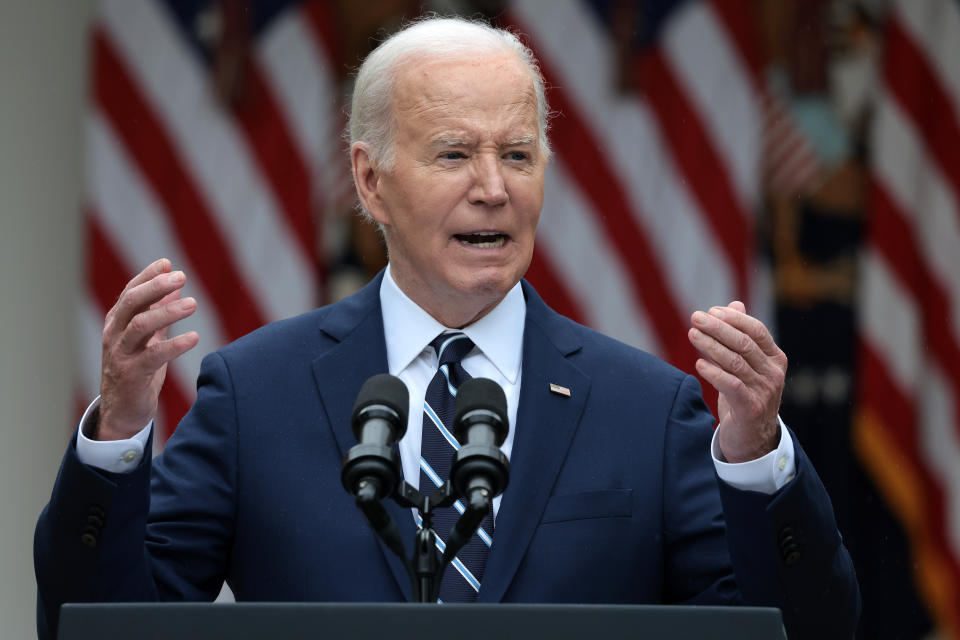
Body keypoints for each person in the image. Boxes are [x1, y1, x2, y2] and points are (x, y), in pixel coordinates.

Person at [35, 16, 859, 639]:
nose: (494, 188)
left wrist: (756, 459)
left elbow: (801, 632)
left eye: (519, 154)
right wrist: (117, 431)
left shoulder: (647, 408)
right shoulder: (257, 394)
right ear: (371, 180)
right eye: (455, 154)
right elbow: (99, 624)